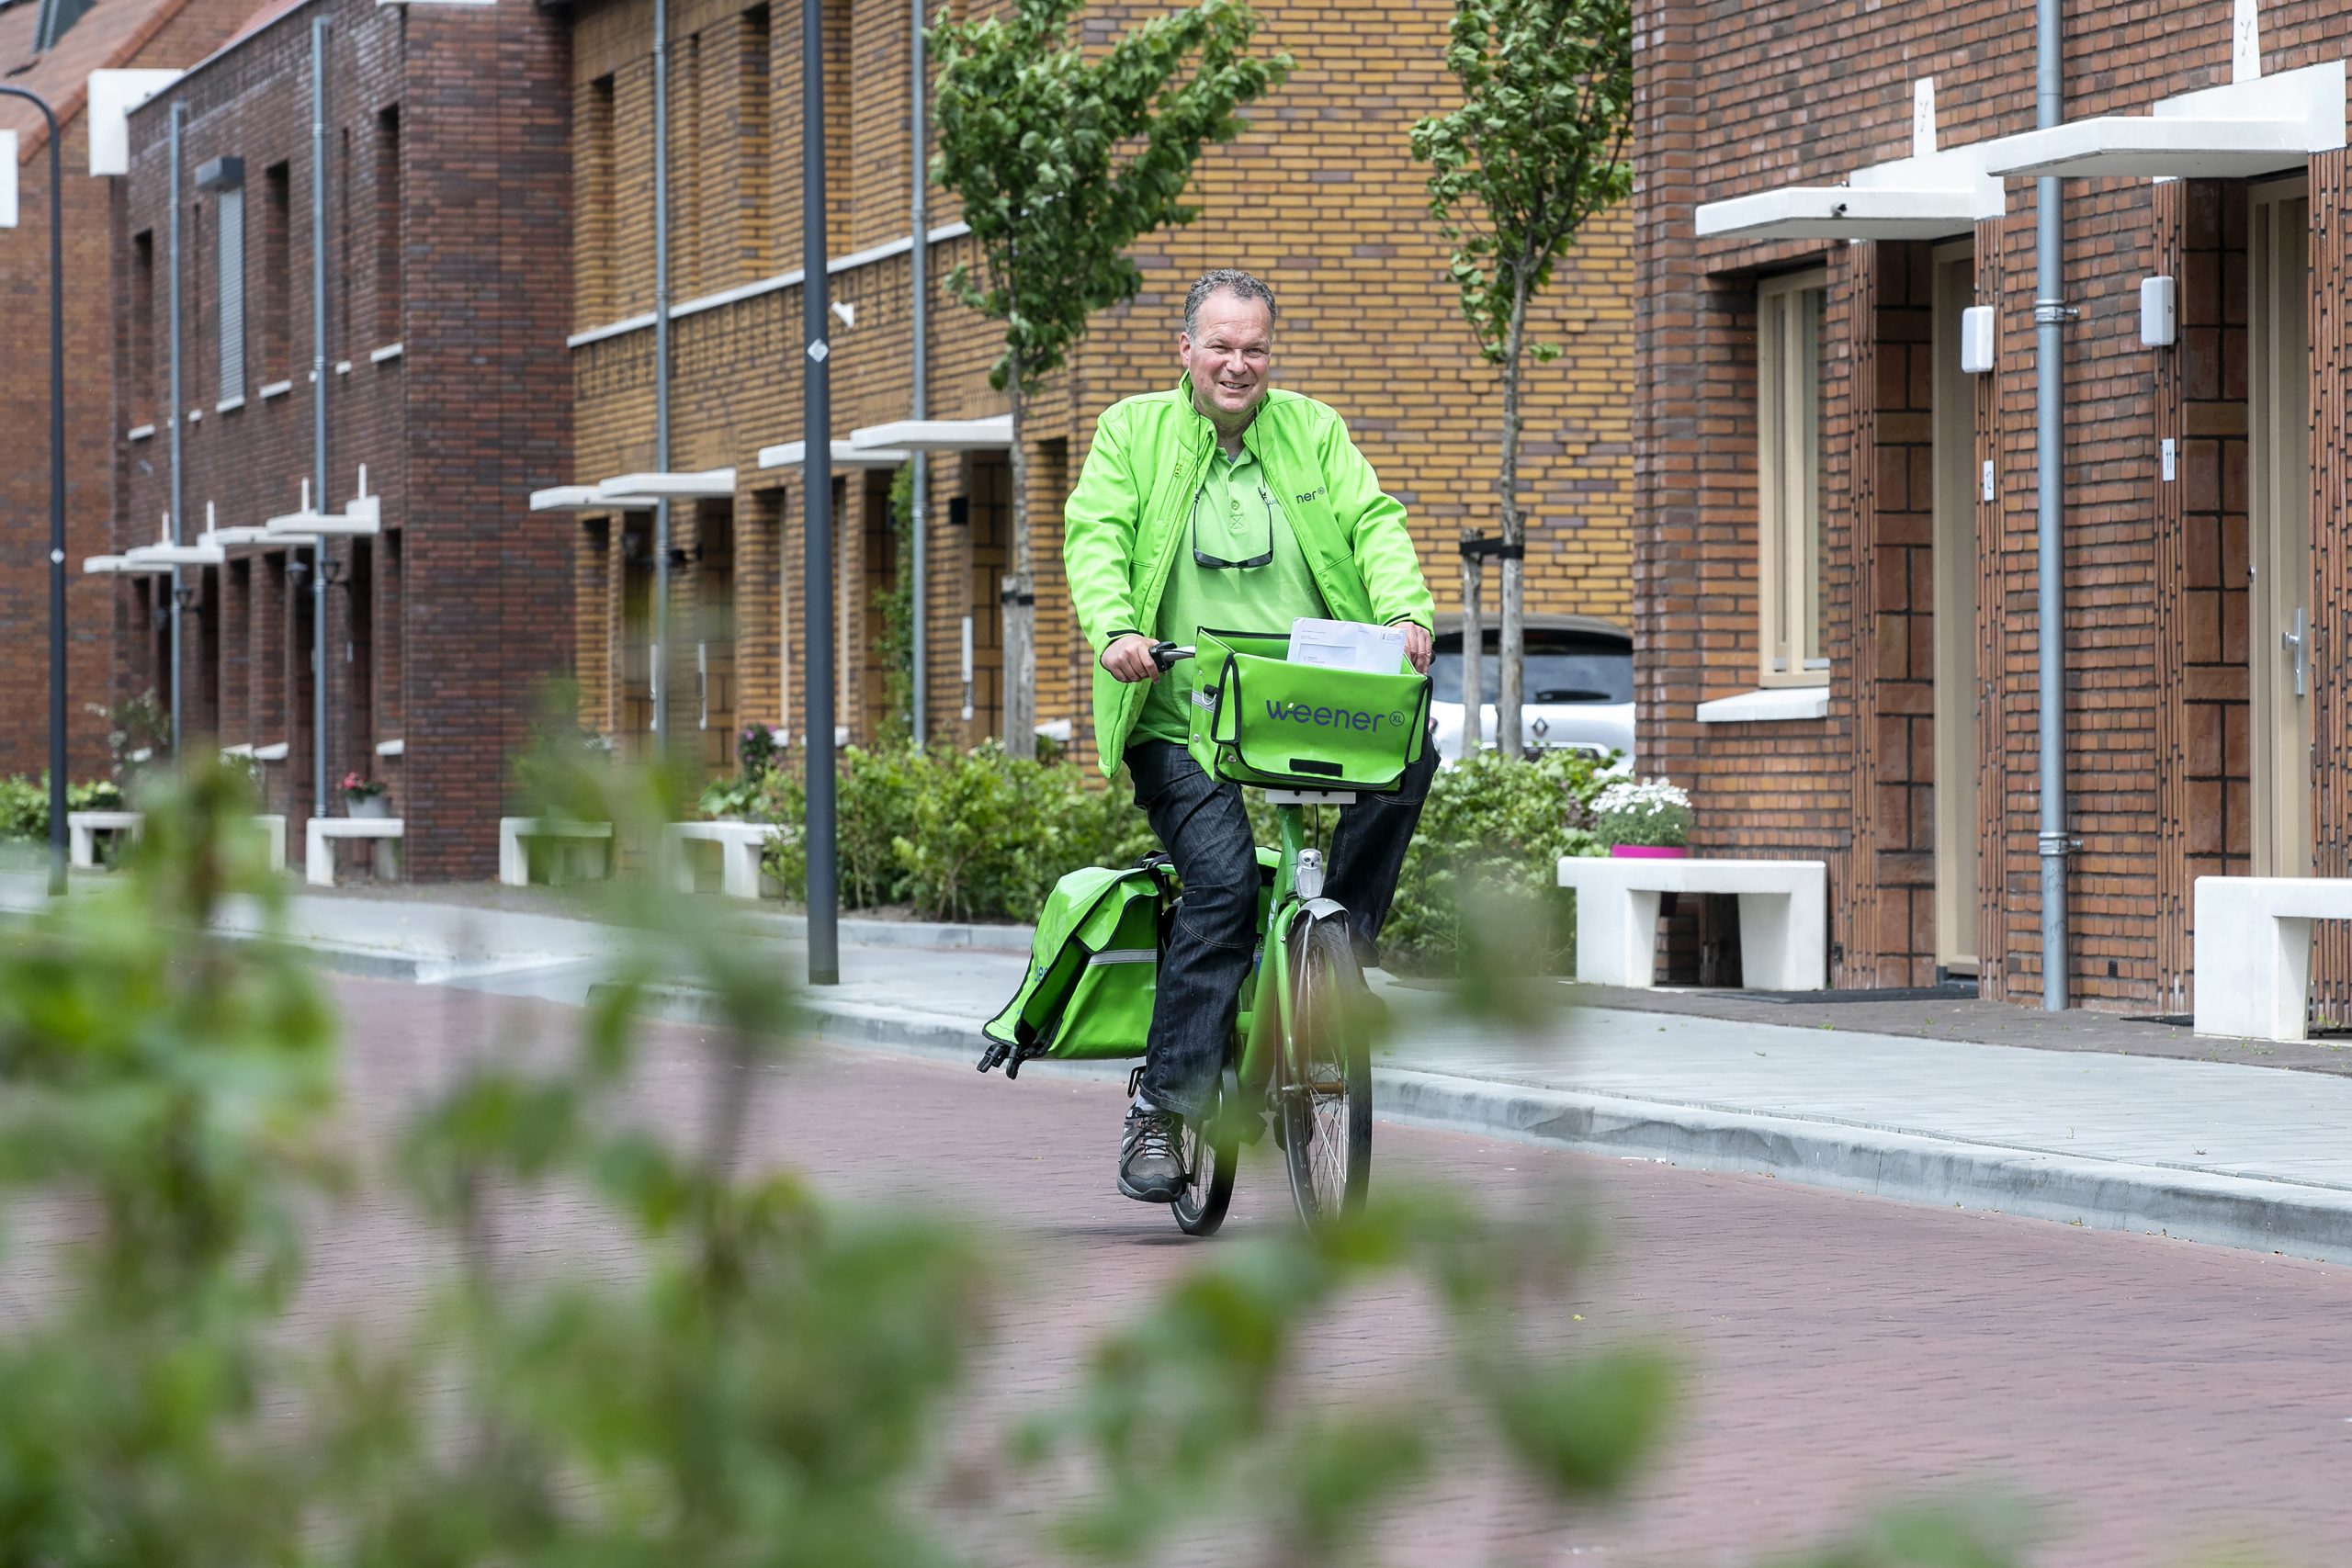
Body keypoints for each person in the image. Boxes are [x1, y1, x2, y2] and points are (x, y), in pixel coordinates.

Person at [1062, 269, 1438, 1203]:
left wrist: (1404, 614)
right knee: (1224, 882)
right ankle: (1165, 1106)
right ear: (1184, 351)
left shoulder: (1312, 430)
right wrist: (1114, 631)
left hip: (1299, 694)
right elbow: (1096, 534)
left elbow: (1374, 522)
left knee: (1412, 751)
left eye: (1255, 348)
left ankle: (1338, 949)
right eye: (1221, 346)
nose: (1238, 363)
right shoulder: (1132, 432)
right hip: (1178, 715)